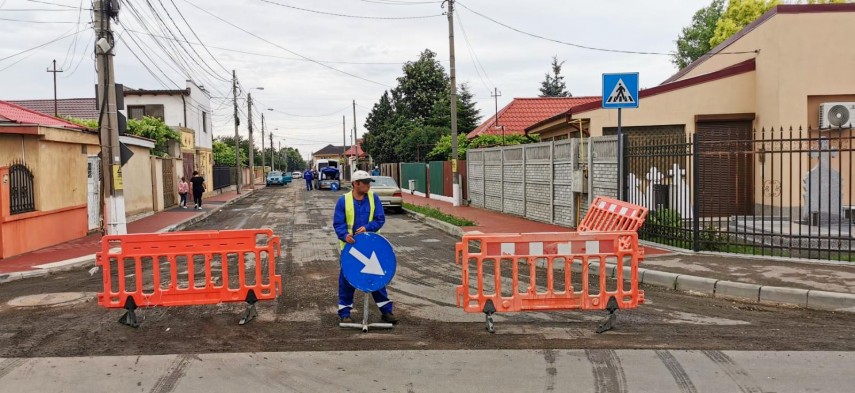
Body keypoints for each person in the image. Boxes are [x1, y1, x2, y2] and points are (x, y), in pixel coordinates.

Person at [332, 170, 398, 325]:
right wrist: (344, 235)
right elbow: (338, 223)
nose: (369, 185)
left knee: (376, 276)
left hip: (371, 246)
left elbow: (380, 219)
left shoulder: (373, 198)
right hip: (351, 248)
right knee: (347, 279)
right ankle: (344, 313)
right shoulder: (344, 200)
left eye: (369, 182)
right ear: (356, 184)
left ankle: (386, 311)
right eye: (366, 182)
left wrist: (368, 228)